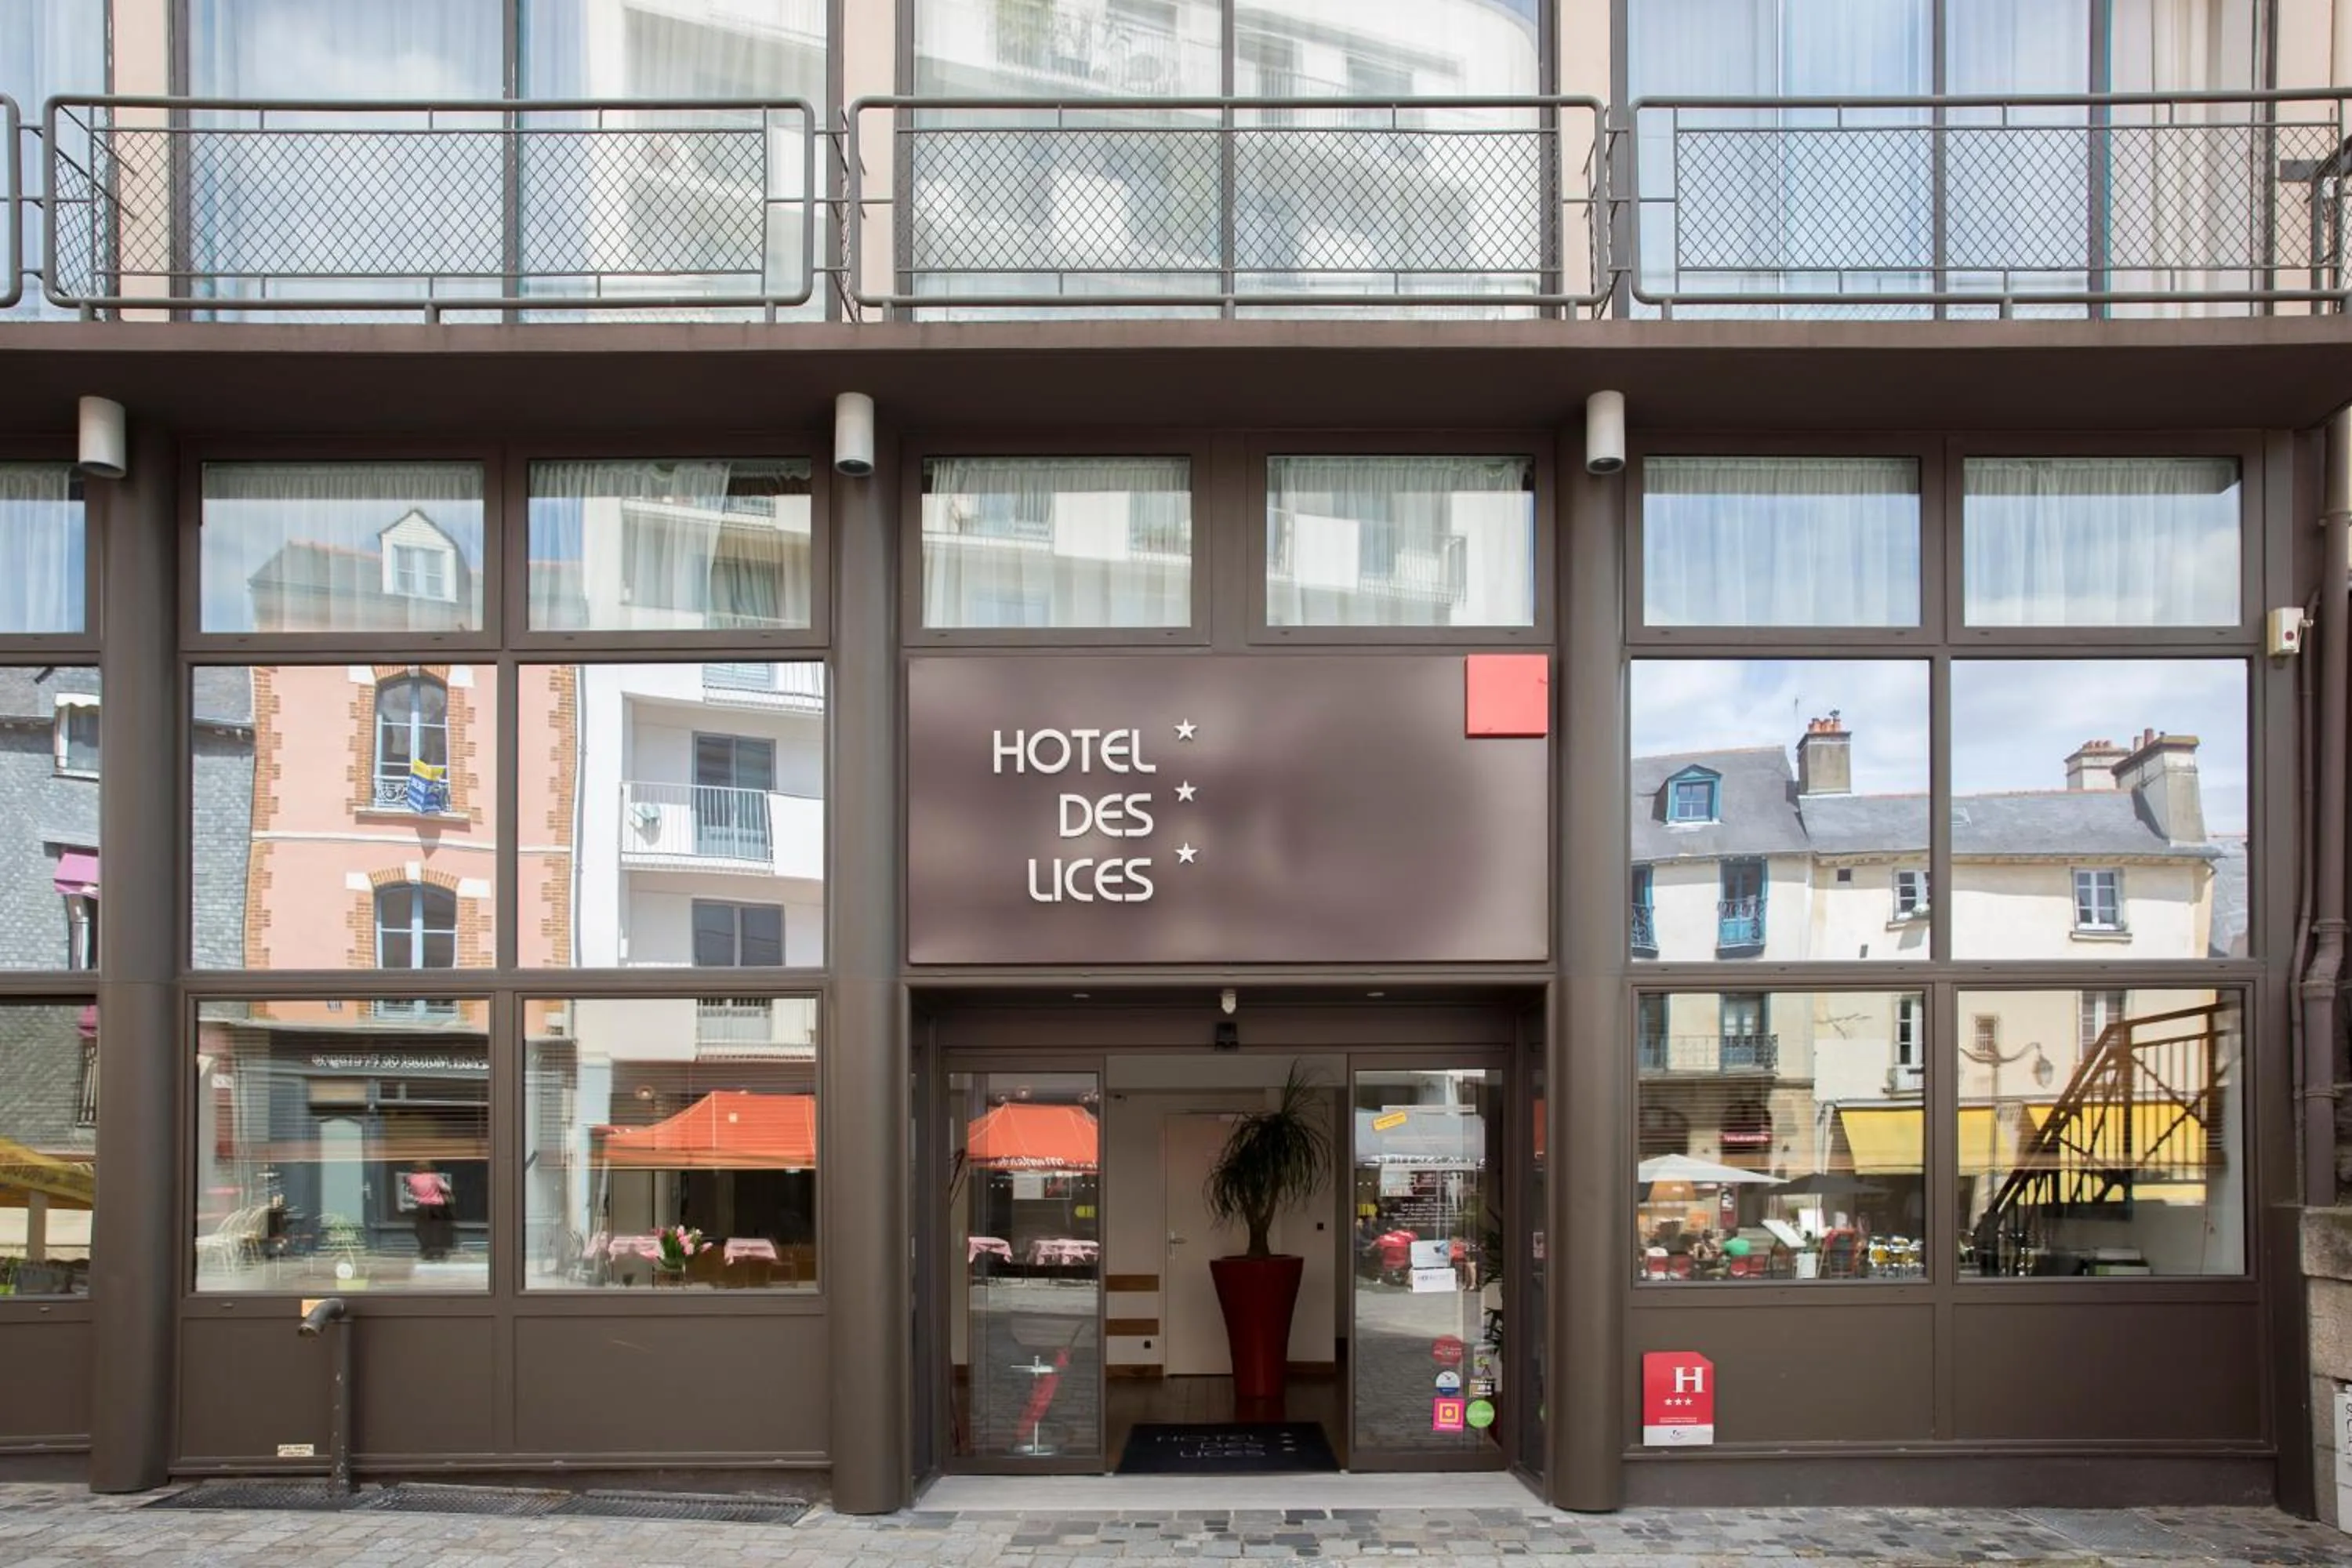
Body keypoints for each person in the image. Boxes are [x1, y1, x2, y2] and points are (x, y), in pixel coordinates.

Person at [405, 1162, 455, 1262]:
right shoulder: (434, 1177)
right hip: (436, 1206)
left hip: (422, 1206)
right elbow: (447, 1188)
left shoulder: (411, 1178)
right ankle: (439, 1252)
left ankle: (427, 1252)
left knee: (424, 1229)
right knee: (437, 1229)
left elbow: (411, 1191)